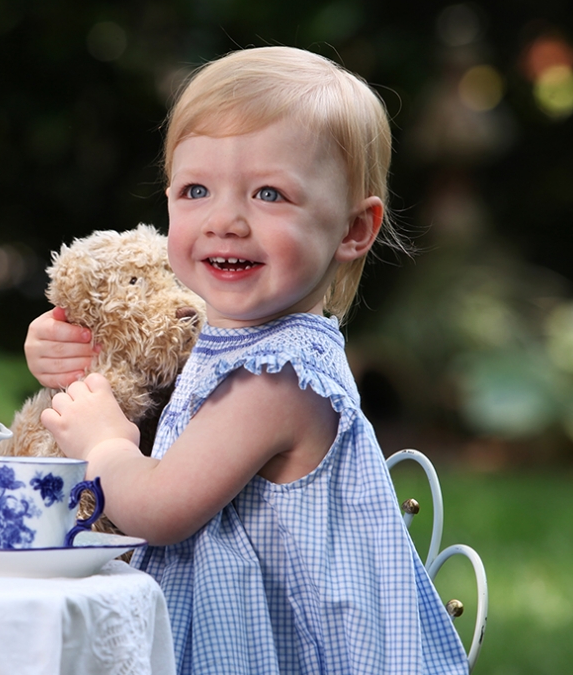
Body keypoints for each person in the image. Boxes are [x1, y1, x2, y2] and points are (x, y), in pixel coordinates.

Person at [30, 46, 468, 674]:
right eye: (196, 190)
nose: (226, 220)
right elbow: (142, 372)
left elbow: (161, 510)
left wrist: (102, 446)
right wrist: (62, 349)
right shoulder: (234, 338)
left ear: (353, 229)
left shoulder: (280, 378)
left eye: (269, 193)